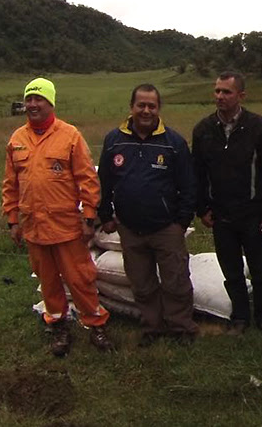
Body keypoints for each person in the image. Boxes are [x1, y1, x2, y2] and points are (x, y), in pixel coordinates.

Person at [2, 77, 114, 357]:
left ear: (51, 103)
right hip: (33, 227)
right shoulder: (16, 140)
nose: (32, 104)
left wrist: (89, 218)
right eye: (29, 99)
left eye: (39, 99)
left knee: (80, 278)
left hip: (66, 226)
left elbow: (87, 179)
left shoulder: (70, 135)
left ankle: (96, 323)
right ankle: (58, 325)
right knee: (48, 280)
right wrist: (12, 220)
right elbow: (10, 184)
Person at [97, 84, 198, 347]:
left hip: (166, 228)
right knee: (142, 284)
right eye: (141, 105)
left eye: (151, 106)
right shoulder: (114, 140)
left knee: (176, 281)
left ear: (158, 109)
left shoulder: (173, 143)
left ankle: (182, 329)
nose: (146, 110)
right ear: (131, 107)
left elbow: (189, 185)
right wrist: (105, 214)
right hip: (130, 228)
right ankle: (153, 328)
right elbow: (104, 182)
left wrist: (181, 222)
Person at [192, 71, 262, 337]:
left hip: (254, 215)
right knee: (231, 269)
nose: (220, 97)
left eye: (226, 92)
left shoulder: (261, 129)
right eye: (217, 91)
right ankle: (240, 317)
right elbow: (197, 174)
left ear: (241, 96)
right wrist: (202, 209)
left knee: (260, 270)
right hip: (222, 216)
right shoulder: (204, 130)